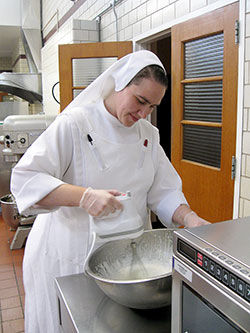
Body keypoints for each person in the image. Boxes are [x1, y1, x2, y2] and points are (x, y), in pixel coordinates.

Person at [11, 50, 209, 332]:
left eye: (152, 107)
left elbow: (163, 191)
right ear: (120, 83)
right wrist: (83, 196)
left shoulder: (148, 135)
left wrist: (190, 219)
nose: (143, 114)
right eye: (140, 101)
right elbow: (25, 180)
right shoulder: (75, 124)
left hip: (127, 265)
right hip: (70, 257)